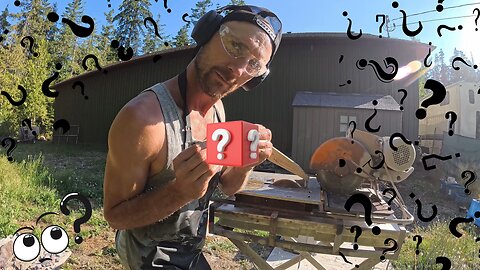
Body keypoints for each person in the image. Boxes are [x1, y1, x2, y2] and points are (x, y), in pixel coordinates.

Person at [103, 5, 282, 270]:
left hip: (189, 252)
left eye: (254, 65)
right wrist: (179, 192)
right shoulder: (142, 119)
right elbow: (115, 217)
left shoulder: (218, 110)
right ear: (206, 33)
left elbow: (228, 186)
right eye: (235, 46)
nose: (238, 68)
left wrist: (247, 162)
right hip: (146, 256)